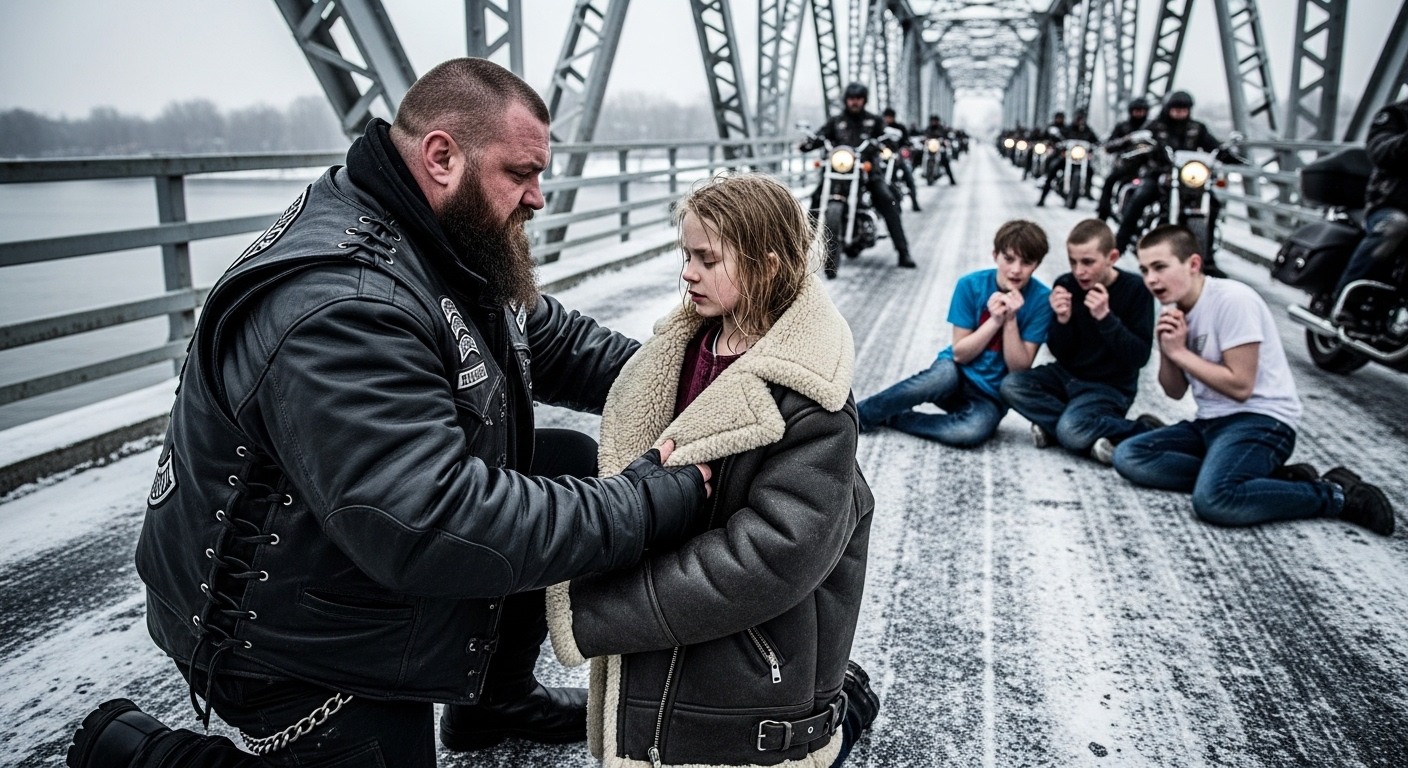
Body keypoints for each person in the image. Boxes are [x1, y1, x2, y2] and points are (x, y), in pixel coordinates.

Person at [65, 59, 713, 768]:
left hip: (346, 551)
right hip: (280, 635)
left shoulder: (438, 233)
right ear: (441, 156)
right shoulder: (344, 305)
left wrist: (705, 382)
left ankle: (491, 704)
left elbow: (552, 340)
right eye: (521, 173)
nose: (538, 196)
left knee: (562, 463)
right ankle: (131, 750)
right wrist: (645, 504)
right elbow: (433, 520)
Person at [544, 174, 880, 767]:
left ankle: (847, 705)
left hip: (750, 652)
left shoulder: (813, 400)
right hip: (685, 620)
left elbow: (775, 553)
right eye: (686, 255)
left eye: (708, 259)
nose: (688, 273)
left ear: (767, 266)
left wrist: (604, 606)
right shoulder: (686, 349)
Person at [1113, 225, 1395, 535]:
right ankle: (1258, 479)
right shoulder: (1173, 308)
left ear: (1193, 264)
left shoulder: (1232, 300)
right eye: (1144, 270)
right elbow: (1175, 391)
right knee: (1129, 457)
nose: (1151, 279)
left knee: (1215, 500)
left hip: (1262, 422)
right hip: (1210, 423)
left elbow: (1241, 386)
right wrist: (1169, 350)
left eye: (1160, 267)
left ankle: (1335, 494)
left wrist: (1180, 353)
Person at [857, 220, 1054, 447]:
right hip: (955, 373)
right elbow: (960, 354)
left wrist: (1010, 321)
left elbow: (1018, 370)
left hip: (991, 396)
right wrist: (995, 321)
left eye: (1026, 262)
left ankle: (893, 417)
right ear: (995, 256)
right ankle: (859, 415)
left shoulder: (1041, 300)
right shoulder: (970, 285)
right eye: (1009, 259)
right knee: (937, 378)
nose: (1016, 270)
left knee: (969, 432)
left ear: (1037, 265)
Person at [1001, 219, 1156, 464]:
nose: (1079, 271)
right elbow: (1060, 352)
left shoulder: (1136, 289)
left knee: (1071, 430)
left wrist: (1106, 318)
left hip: (1109, 387)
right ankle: (1082, 431)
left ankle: (1145, 429)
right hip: (1066, 376)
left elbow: (1139, 357)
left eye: (1088, 262)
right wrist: (1062, 320)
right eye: (1073, 262)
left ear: (1112, 257)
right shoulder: (1066, 284)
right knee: (1011, 385)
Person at [801, 82, 917, 269]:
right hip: (840, 171)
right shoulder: (836, 121)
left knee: (887, 200)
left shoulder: (874, 121)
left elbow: (887, 139)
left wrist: (886, 143)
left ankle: (903, 252)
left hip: (867, 171)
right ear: (846, 100)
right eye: (851, 98)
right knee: (816, 198)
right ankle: (801, 251)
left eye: (858, 99)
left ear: (864, 100)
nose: (854, 102)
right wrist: (808, 143)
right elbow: (820, 136)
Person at [1113, 91, 1232, 274]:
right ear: (1168, 109)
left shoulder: (1197, 128)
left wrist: (1226, 153)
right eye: (1176, 109)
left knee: (1213, 204)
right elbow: (1140, 142)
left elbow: (1212, 145)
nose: (1179, 113)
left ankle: (1207, 258)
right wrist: (1134, 148)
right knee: (1140, 197)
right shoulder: (1155, 126)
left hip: (1188, 178)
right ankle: (1118, 246)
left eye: (1183, 109)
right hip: (1159, 174)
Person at [1331, 97, 1408, 317]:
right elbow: (1379, 152)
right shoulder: (1396, 115)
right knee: (1395, 226)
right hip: (1390, 204)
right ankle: (1345, 300)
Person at [1097, 96, 1151, 221]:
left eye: (1142, 111)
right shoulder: (1123, 127)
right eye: (1136, 110)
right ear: (1131, 111)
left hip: (1147, 166)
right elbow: (1109, 145)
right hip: (1125, 164)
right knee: (1109, 181)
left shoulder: (1152, 127)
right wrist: (1126, 140)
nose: (1139, 113)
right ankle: (1102, 213)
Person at [882, 107, 922, 210]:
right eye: (886, 117)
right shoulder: (881, 127)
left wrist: (905, 148)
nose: (888, 119)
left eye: (890, 117)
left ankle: (914, 201)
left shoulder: (900, 127)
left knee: (908, 176)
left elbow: (906, 141)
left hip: (898, 156)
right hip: (884, 156)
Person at [925, 114, 958, 186]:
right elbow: (925, 136)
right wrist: (925, 140)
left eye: (935, 121)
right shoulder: (928, 129)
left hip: (940, 148)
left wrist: (944, 141)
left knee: (945, 161)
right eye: (933, 121)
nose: (934, 122)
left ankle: (952, 179)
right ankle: (929, 178)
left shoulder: (942, 129)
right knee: (929, 160)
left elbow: (946, 137)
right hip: (931, 148)